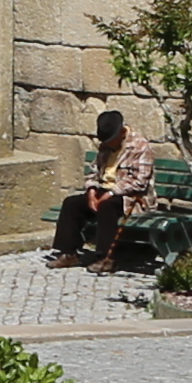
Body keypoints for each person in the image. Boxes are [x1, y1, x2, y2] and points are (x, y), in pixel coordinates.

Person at [51, 109, 143, 269]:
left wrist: (111, 192)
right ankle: (69, 253)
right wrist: (91, 191)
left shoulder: (139, 146)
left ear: (121, 132)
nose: (108, 145)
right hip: (104, 189)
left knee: (107, 206)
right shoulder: (105, 146)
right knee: (71, 204)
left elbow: (139, 181)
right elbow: (94, 171)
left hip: (131, 197)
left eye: (111, 141)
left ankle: (105, 257)